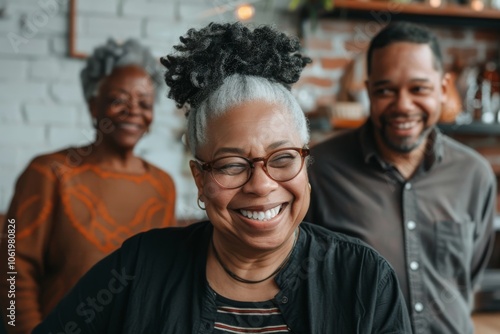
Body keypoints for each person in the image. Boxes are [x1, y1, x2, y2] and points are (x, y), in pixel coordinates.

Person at [32, 22, 412, 333]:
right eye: (232, 165)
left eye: (282, 158)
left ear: (306, 164)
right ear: (200, 178)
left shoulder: (363, 277)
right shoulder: (139, 265)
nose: (261, 185)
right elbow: (13, 261)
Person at [306, 21, 496, 334]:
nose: (403, 105)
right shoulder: (320, 170)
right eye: (385, 90)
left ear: (444, 88)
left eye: (419, 88)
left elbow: (469, 275)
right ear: (369, 91)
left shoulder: (474, 175)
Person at [0, 39, 177, 333]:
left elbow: (165, 279)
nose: (133, 111)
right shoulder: (49, 173)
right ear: (94, 105)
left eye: (144, 103)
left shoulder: (163, 184)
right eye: (118, 100)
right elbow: (12, 263)